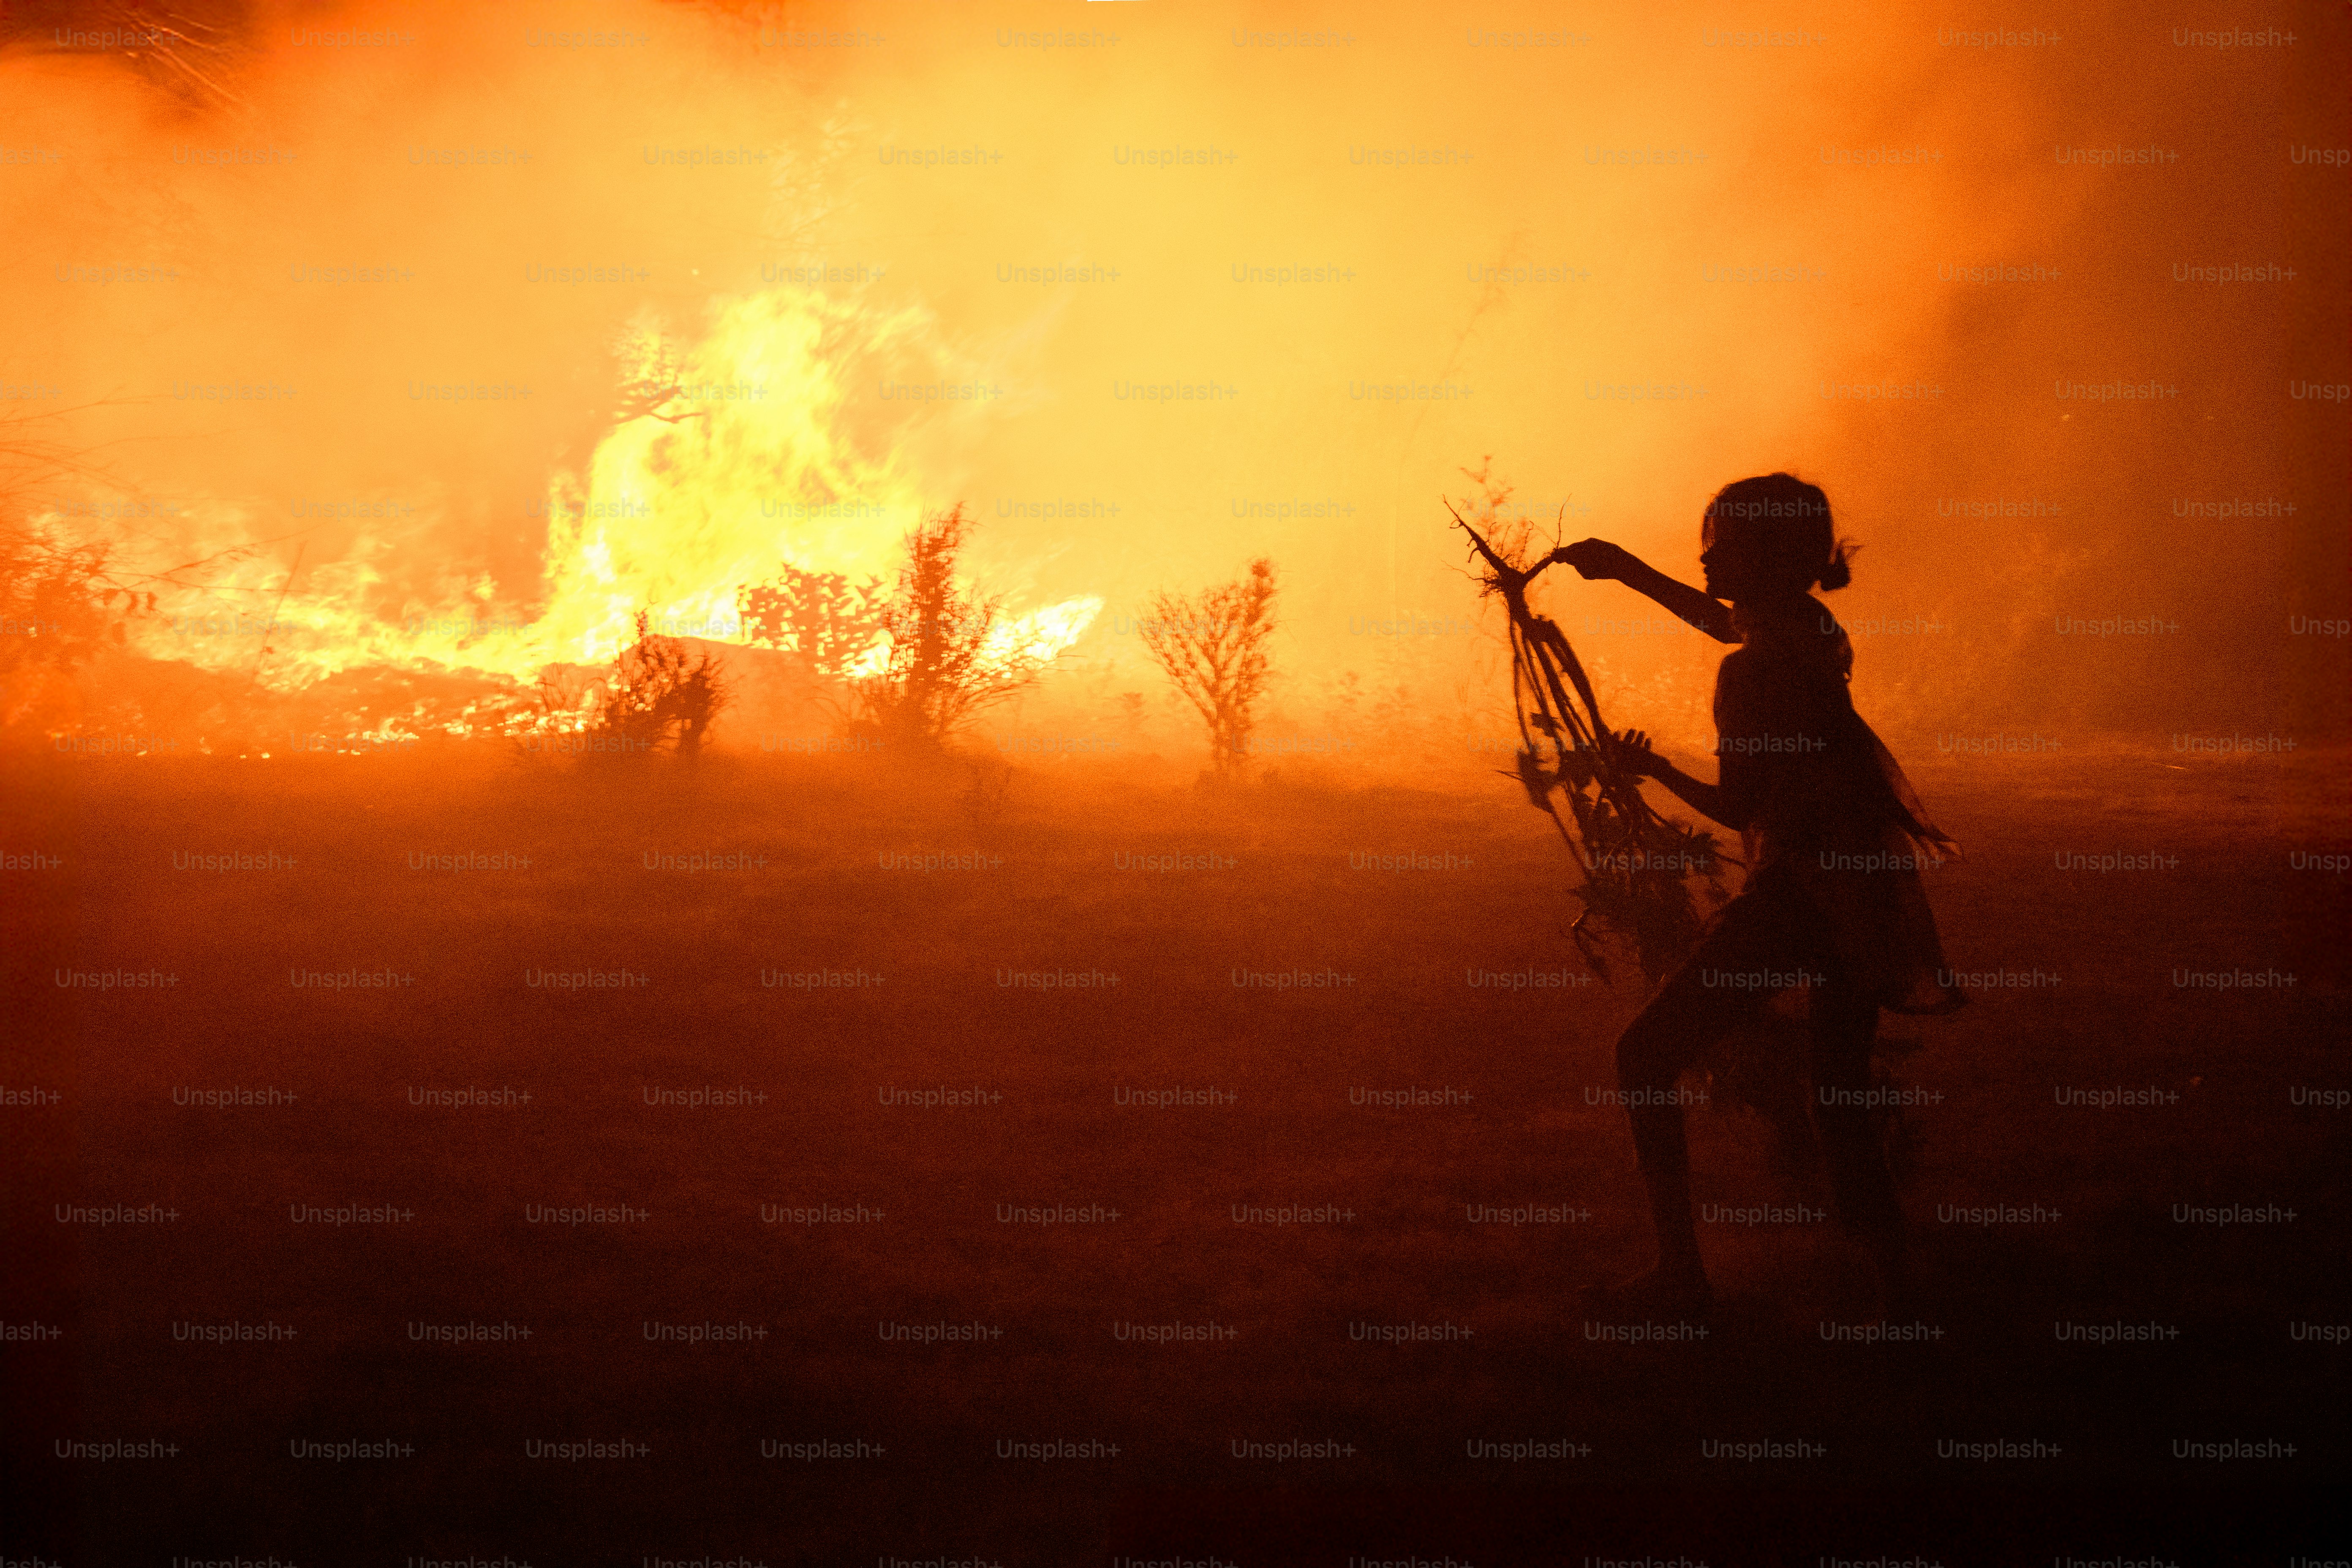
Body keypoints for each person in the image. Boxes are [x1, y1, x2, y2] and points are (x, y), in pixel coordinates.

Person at [1542, 472, 1964, 1319]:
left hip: (1801, 895)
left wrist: (1652, 767)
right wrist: (1624, 568)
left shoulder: (1752, 676)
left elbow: (1739, 806)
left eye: (1722, 542)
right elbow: (1726, 621)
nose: (1703, 553)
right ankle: (1898, 1289)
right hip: (1862, 891)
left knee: (1645, 1055)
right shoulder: (1811, 631)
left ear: (1766, 556)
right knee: (1838, 1089)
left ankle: (1680, 1274)